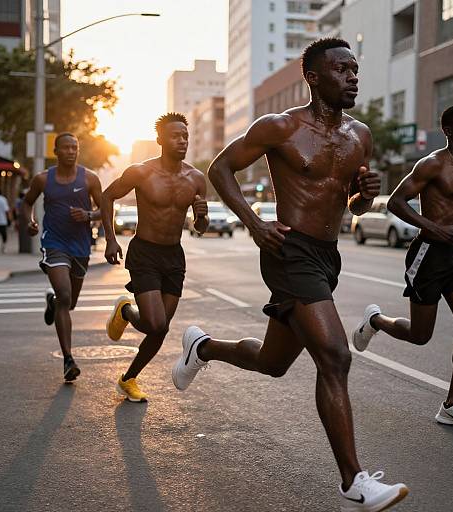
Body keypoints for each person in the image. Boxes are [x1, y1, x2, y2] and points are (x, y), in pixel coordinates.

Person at [171, 38, 408, 511]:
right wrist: (254, 223)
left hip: (326, 255)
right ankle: (354, 481)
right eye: (342, 70)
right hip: (287, 249)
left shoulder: (360, 135)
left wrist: (364, 196)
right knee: (335, 356)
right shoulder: (280, 126)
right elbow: (220, 168)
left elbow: (350, 202)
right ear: (315, 78)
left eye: (355, 70)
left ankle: (203, 347)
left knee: (273, 363)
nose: (353, 77)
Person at [353, 105, 453, 431]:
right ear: (449, 130)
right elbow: (395, 201)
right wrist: (433, 228)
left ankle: (452, 405)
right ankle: (375, 320)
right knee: (420, 335)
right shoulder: (432, 163)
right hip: (428, 255)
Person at [102, 113, 208, 403]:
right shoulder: (141, 172)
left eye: (186, 136)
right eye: (176, 136)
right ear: (160, 140)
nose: (182, 141)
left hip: (174, 256)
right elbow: (107, 196)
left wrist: (201, 218)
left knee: (160, 329)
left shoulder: (197, 178)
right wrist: (111, 239)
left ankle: (128, 379)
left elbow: (201, 228)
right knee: (156, 324)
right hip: (145, 253)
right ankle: (126, 311)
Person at [22, 133, 102, 381]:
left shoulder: (89, 178)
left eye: (74, 147)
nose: (70, 151)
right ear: (55, 151)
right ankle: (68, 359)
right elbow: (27, 203)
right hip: (54, 243)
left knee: (69, 303)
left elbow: (104, 209)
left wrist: (89, 216)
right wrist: (31, 222)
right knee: (66, 296)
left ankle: (53, 302)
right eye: (65, 148)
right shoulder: (43, 179)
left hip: (80, 246)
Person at [0, 189, 10, 253]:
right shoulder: (3, 199)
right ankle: (3, 247)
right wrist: (8, 218)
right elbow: (6, 210)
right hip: (2, 220)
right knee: (3, 234)